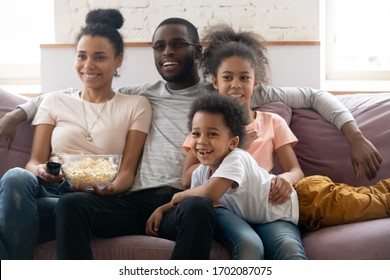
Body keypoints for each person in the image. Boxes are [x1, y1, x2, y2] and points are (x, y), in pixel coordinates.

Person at [0, 17, 382, 259]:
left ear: (197, 52)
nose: (168, 52)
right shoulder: (142, 92)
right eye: (160, 46)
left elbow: (313, 96)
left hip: (189, 200)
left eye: (178, 44)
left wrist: (353, 135)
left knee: (203, 211)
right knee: (70, 205)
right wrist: (16, 115)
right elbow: (72, 92)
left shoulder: (223, 94)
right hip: (132, 197)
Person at [0, 9, 152, 259]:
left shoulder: (136, 105)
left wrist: (109, 188)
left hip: (92, 200)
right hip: (49, 192)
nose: (88, 65)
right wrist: (41, 171)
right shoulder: (54, 101)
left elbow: (127, 172)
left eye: (99, 57)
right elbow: (33, 162)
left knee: (17, 213)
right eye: (82, 56)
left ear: (118, 60)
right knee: (15, 176)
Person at [181, 24, 306, 260]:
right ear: (215, 82)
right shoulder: (204, 129)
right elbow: (187, 177)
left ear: (255, 81)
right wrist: (234, 152)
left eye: (244, 77)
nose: (236, 84)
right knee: (249, 246)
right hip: (225, 208)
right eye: (227, 77)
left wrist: (286, 179)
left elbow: (296, 170)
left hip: (267, 206)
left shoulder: (273, 121)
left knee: (290, 250)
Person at [147, 94, 300, 236]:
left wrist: (177, 195)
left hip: (283, 208)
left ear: (233, 142)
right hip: (251, 216)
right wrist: (162, 209)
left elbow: (210, 192)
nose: (201, 141)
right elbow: (193, 197)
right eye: (196, 134)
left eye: (212, 134)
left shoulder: (236, 158)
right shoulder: (200, 172)